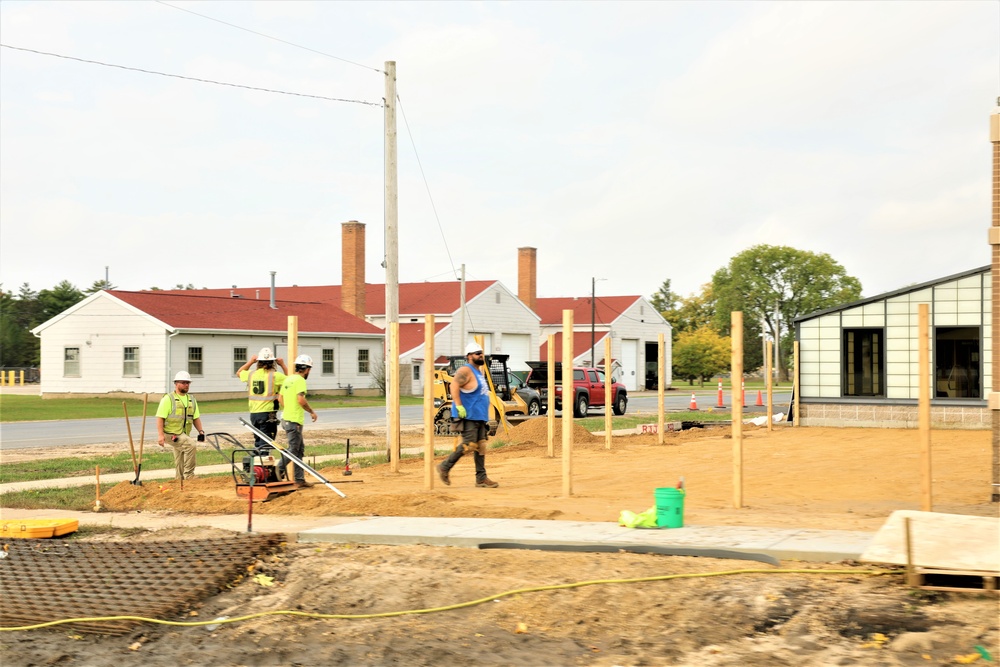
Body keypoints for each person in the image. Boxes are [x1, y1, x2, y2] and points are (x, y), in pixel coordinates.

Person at [436, 342, 499, 488]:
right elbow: (453, 385)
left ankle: (481, 478)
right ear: (469, 356)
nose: (481, 355)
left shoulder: (479, 372)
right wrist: (458, 405)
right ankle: (444, 467)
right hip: (469, 415)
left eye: (481, 352)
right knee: (469, 445)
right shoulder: (466, 370)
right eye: (477, 353)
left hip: (479, 415)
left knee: (481, 445)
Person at [155, 371, 205, 481]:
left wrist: (201, 431)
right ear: (176, 384)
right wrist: (160, 435)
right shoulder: (168, 399)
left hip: (183, 433)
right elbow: (160, 417)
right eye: (183, 383)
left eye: (188, 383)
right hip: (170, 433)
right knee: (190, 445)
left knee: (180, 457)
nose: (186, 385)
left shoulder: (192, 399)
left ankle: (180, 479)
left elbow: (195, 417)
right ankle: (189, 475)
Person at [277, 354, 318, 488]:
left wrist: (288, 407)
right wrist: (311, 411)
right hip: (294, 420)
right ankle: (277, 470)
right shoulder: (300, 380)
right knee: (294, 449)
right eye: (309, 369)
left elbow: (280, 398)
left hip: (287, 418)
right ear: (307, 369)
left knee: (299, 449)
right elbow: (301, 400)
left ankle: (299, 480)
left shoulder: (288, 380)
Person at [236, 347, 288, 452]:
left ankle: (256, 464)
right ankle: (262, 466)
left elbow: (239, 372)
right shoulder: (275, 376)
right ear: (273, 363)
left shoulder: (251, 374)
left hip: (254, 414)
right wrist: (282, 364)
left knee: (258, 442)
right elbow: (291, 380)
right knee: (266, 444)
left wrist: (250, 361)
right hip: (268, 415)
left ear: (258, 362)